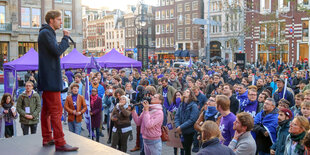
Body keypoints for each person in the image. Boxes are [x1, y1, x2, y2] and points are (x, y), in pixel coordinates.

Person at [38, 10, 78, 151]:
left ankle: (47, 138)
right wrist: (66, 38)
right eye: (59, 19)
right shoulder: (46, 33)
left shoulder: (46, 33)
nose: (61, 22)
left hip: (48, 79)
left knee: (47, 111)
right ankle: (60, 142)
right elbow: (56, 51)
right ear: (51, 20)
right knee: (56, 111)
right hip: (51, 80)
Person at [175, 89, 199, 155]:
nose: (185, 92)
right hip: (181, 130)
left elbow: (192, 119)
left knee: (187, 149)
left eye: (187, 91)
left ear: (191, 95)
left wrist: (181, 127)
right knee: (182, 148)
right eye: (185, 91)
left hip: (189, 131)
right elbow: (177, 116)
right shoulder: (181, 104)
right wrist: (178, 126)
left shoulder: (193, 105)